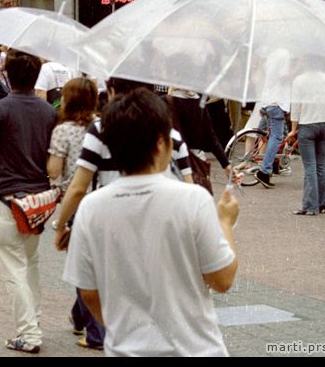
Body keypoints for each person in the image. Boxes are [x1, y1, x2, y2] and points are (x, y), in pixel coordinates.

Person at [62, 87, 239, 356]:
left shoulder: (91, 207)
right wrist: (225, 222)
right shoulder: (193, 199)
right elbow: (222, 279)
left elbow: (88, 292)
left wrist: (122, 331)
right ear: (161, 143)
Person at [0, 50, 58, 354]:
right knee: (30, 263)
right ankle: (35, 321)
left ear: (7, 74)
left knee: (13, 268)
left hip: (9, 197)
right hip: (39, 200)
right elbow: (52, 161)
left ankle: (28, 333)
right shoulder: (49, 112)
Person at [54, 77, 193, 252]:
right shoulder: (171, 136)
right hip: (159, 230)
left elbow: (78, 188)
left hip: (110, 227)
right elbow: (188, 188)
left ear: (112, 92)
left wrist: (61, 225)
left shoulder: (100, 129)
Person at [45, 77, 104, 350]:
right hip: (104, 199)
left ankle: (94, 331)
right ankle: (79, 315)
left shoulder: (64, 130)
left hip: (76, 203)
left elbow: (54, 170)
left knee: (83, 267)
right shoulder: (103, 125)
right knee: (94, 263)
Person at [286, 71, 325, 215]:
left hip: (307, 124)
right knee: (321, 166)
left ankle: (310, 206)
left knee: (310, 167)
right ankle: (323, 202)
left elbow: (296, 107)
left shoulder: (299, 80)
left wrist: (293, 130)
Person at [254, 48, 292, 188]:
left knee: (274, 135)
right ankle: (265, 170)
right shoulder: (284, 53)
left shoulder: (271, 53)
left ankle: (275, 165)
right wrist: (297, 71)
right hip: (277, 102)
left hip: (268, 100)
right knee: (276, 137)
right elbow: (283, 76)